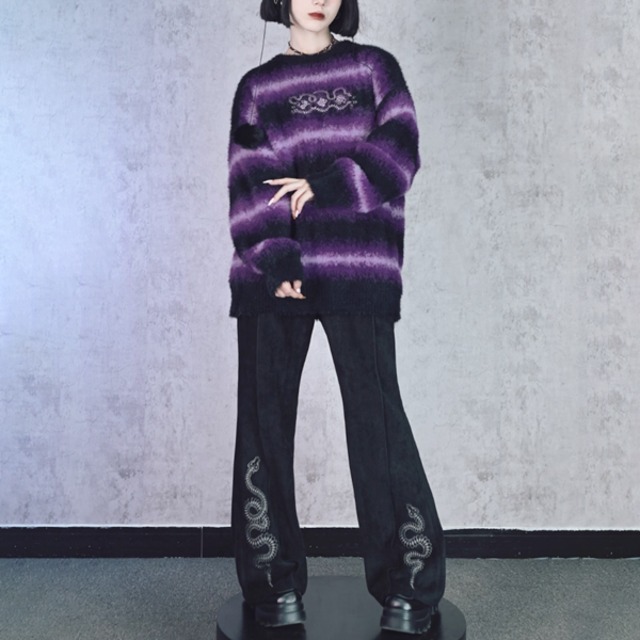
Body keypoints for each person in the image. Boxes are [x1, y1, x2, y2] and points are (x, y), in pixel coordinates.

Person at [227, 0, 445, 634]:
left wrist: (323, 183)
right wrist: (276, 260)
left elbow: (399, 153)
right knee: (264, 424)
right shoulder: (257, 88)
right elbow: (249, 179)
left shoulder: (376, 70)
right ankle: (273, 585)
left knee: (378, 423)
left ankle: (410, 586)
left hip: (359, 264)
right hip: (275, 273)